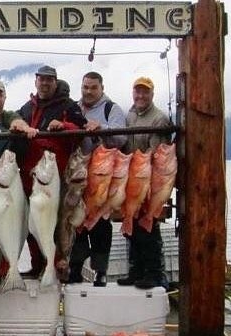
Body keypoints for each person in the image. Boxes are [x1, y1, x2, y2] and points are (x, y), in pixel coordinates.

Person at [14, 65, 87, 279]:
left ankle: (57, 265)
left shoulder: (68, 106)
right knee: (31, 223)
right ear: (35, 81)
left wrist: (64, 125)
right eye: (41, 79)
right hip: (29, 174)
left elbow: (80, 131)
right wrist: (18, 125)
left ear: (55, 82)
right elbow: (16, 120)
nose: (45, 83)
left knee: (57, 222)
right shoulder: (28, 107)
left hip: (56, 174)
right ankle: (38, 265)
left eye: (49, 80)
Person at [67, 71, 127, 287]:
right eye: (85, 87)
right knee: (77, 220)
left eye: (93, 87)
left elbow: (121, 138)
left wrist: (101, 127)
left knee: (101, 223)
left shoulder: (112, 109)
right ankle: (75, 268)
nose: (88, 91)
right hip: (78, 173)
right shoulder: (74, 107)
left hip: (103, 175)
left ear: (102, 87)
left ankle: (100, 270)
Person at [117, 77, 172, 290]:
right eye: (137, 92)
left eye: (145, 92)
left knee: (149, 227)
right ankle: (136, 271)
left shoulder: (159, 119)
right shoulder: (130, 114)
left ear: (152, 94)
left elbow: (157, 154)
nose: (140, 96)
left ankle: (155, 274)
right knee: (131, 227)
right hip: (132, 179)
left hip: (149, 180)